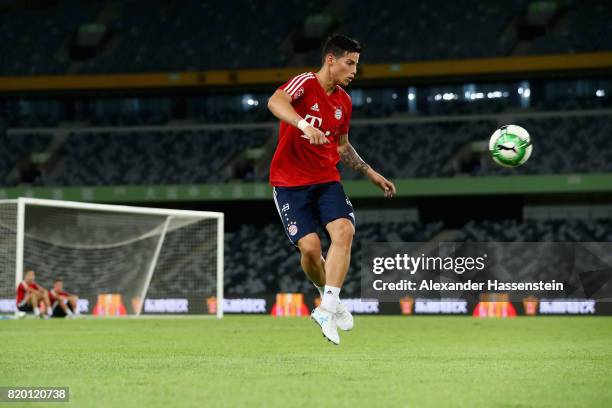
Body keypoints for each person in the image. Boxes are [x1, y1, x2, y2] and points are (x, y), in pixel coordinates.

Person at [267, 34, 396, 345]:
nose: (354, 71)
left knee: (344, 231)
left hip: (326, 179)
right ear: (330, 60)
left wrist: (370, 172)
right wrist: (303, 125)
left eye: (356, 65)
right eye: (349, 63)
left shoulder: (344, 102)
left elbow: (342, 147)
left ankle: (326, 308)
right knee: (310, 249)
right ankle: (330, 301)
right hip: (288, 184)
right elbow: (275, 101)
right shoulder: (304, 84)